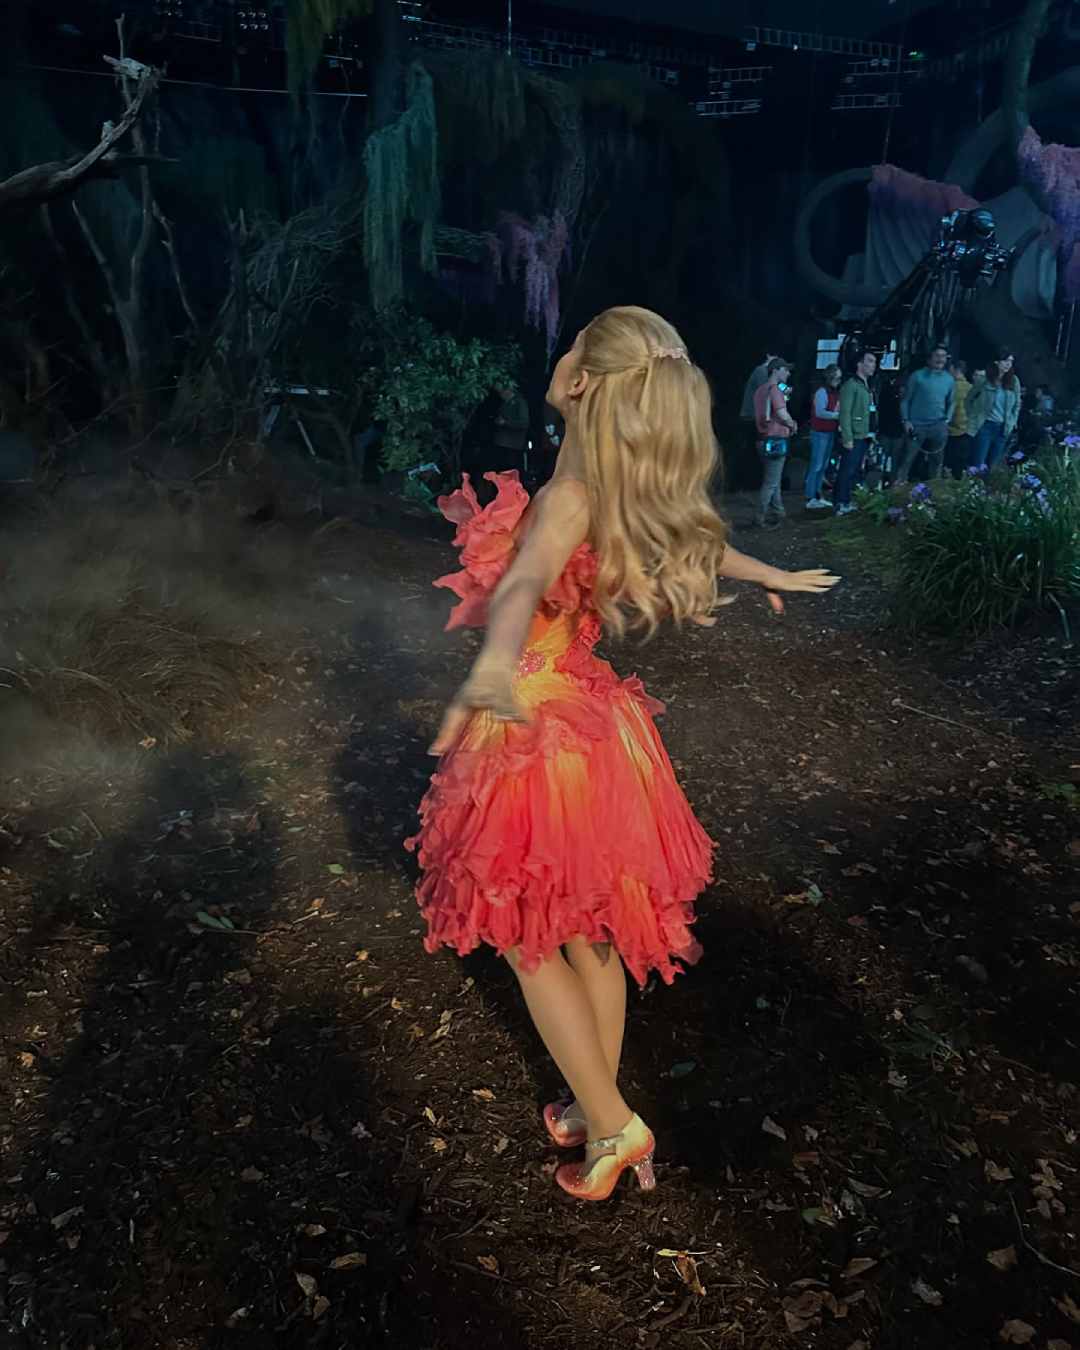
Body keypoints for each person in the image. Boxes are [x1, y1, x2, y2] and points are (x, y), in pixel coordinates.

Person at [407, 308, 839, 1202]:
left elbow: (525, 582)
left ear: (586, 383)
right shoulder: (607, 482)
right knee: (588, 931)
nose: (560, 353)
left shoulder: (569, 495)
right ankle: (591, 1099)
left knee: (527, 940)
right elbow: (696, 544)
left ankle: (614, 1125)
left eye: (574, 345)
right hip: (595, 726)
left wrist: (492, 664)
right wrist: (768, 574)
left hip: (536, 730)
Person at [897, 345, 955, 483]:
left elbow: (952, 402)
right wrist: (906, 420)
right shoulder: (917, 376)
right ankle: (898, 487)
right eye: (937, 355)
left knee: (937, 463)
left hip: (938, 425)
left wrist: (947, 420)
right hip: (917, 425)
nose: (940, 359)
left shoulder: (949, 379)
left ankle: (934, 491)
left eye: (943, 356)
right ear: (929, 358)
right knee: (906, 460)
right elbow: (905, 400)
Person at [752, 357, 797, 529]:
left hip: (762, 438)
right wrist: (792, 424)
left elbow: (788, 392)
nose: (788, 373)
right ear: (776, 370)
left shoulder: (760, 390)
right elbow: (782, 413)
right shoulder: (775, 390)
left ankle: (779, 513)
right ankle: (760, 517)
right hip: (776, 439)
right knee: (771, 482)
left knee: (774, 479)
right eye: (785, 370)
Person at [835, 349, 878, 516]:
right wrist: (847, 437)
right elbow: (844, 413)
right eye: (870, 361)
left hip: (864, 435)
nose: (873, 365)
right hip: (854, 435)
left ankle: (847, 500)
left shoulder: (866, 386)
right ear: (860, 364)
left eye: (874, 362)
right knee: (847, 470)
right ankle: (840, 503)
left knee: (855, 470)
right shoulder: (851, 385)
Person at [968, 351, 1021, 469]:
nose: (1008, 364)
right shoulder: (984, 379)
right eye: (1005, 361)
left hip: (1003, 428)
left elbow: (1017, 404)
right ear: (997, 362)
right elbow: (969, 399)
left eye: (1011, 361)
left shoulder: (1014, 380)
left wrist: (1013, 421)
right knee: (978, 463)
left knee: (993, 465)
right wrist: (972, 416)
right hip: (985, 426)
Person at [806, 365, 841, 509]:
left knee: (823, 465)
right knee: (817, 465)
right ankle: (810, 496)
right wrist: (837, 415)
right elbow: (820, 412)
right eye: (837, 377)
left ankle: (817, 494)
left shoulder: (834, 392)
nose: (839, 380)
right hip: (820, 432)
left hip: (829, 431)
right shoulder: (821, 392)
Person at [874, 371, 907, 484]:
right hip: (888, 431)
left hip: (895, 432)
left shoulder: (890, 394)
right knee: (885, 458)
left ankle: (889, 481)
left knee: (891, 459)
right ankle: (883, 481)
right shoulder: (887, 393)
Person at [493, 384, 531, 474]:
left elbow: (524, 423)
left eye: (501, 392)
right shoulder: (504, 403)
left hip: (513, 444)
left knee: (511, 471)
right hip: (502, 443)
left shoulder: (520, 403)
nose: (500, 395)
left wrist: (506, 422)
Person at [945, 358, 972, 478]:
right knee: (960, 465)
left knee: (946, 464)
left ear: (955, 370)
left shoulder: (951, 386)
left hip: (950, 430)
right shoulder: (971, 387)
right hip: (966, 429)